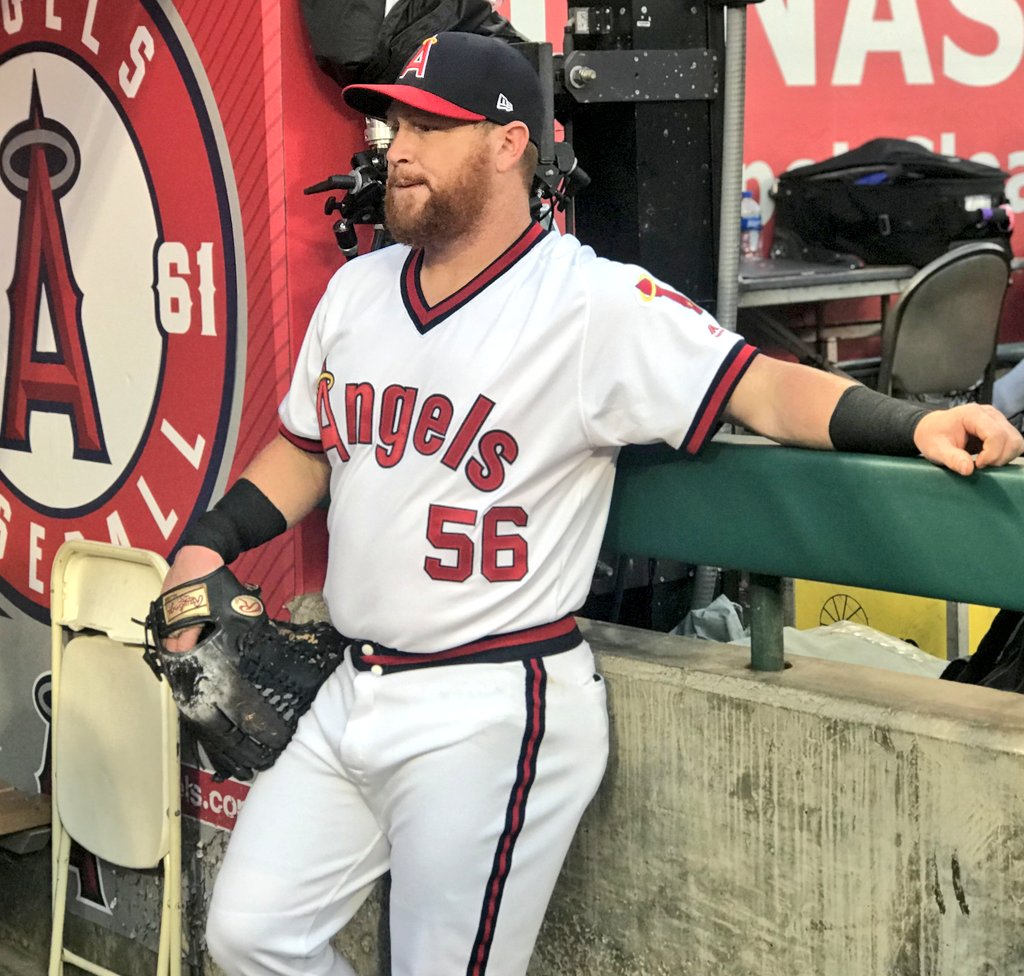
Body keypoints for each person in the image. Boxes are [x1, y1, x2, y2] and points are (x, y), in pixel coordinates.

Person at [159, 32, 1024, 976]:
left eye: (429, 126)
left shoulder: (591, 304)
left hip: (494, 700)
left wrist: (907, 426)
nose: (395, 147)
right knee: (249, 933)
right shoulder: (357, 293)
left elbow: (759, 387)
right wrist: (210, 542)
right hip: (354, 688)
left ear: (507, 143)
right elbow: (307, 448)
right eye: (393, 122)